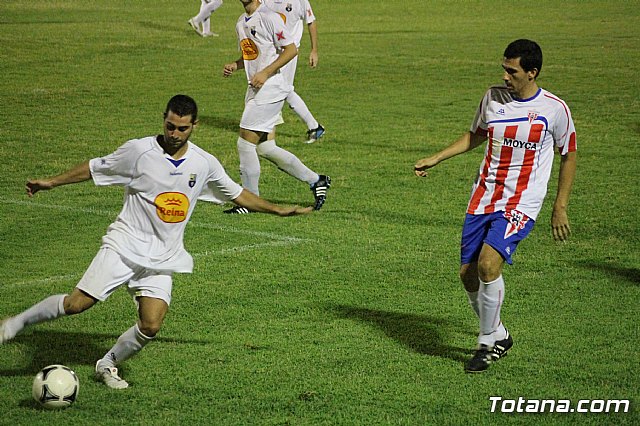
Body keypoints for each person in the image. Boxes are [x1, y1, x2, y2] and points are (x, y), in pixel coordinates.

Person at [0, 94, 311, 389]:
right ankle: (14, 325)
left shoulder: (203, 163)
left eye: (182, 128)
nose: (175, 133)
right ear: (164, 120)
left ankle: (107, 364)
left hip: (162, 257)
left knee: (150, 325)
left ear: (194, 126)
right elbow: (95, 168)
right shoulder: (139, 152)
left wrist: (277, 209)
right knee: (75, 305)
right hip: (124, 246)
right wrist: (51, 182)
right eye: (170, 126)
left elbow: (237, 193)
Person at [414, 39, 577, 373]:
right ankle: (500, 333)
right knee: (468, 274)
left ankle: (486, 343)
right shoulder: (492, 98)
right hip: (484, 195)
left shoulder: (553, 109)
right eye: (504, 68)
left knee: (489, 265)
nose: (505, 76)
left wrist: (559, 206)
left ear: (532, 73)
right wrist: (437, 157)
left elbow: (569, 152)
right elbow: (476, 134)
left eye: (512, 71)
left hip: (522, 201)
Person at [219, 0, 330, 214]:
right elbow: (252, 54)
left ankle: (250, 202)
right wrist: (236, 64)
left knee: (244, 143)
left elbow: (291, 50)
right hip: (255, 88)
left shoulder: (269, 17)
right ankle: (317, 180)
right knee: (266, 148)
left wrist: (266, 72)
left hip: (272, 86)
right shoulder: (241, 22)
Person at [262, 0, 325, 144]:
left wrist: (314, 50)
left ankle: (313, 126)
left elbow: (311, 21)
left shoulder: (300, 1)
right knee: (280, 89)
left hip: (289, 53)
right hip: (271, 51)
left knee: (282, 89)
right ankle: (313, 126)